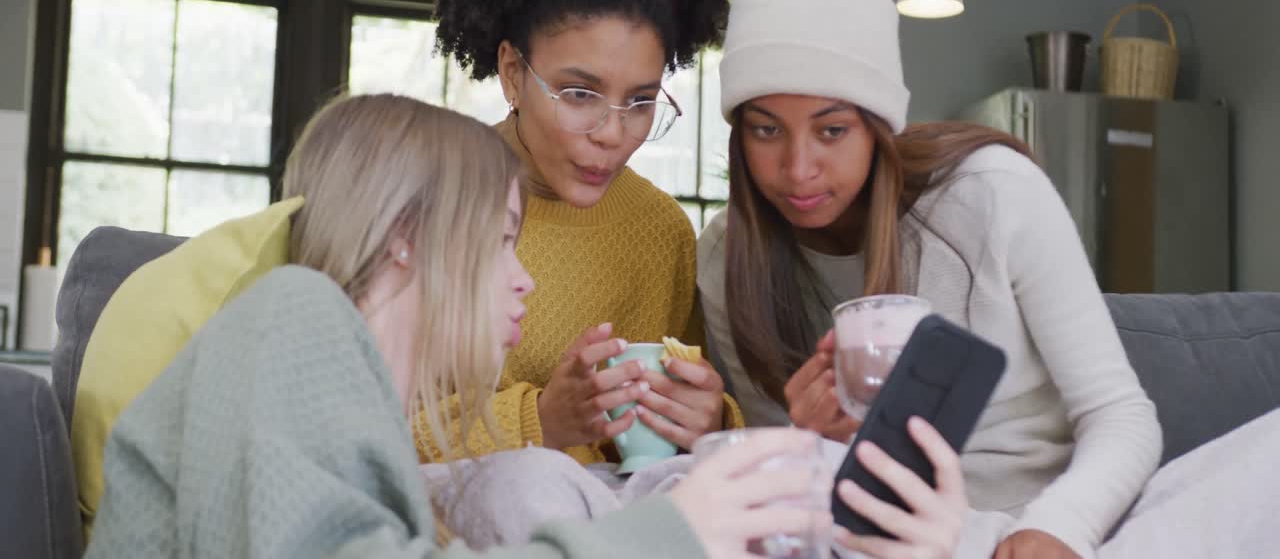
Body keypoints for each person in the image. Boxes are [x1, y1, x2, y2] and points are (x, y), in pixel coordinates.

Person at [85, 93, 857, 558]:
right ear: (405, 236)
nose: (521, 276)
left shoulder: (341, 395)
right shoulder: (292, 317)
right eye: (498, 241)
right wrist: (669, 534)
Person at [696, 0, 1165, 559]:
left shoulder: (992, 193)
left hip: (1039, 523)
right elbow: (791, 503)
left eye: (832, 130)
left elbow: (1122, 416)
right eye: (765, 130)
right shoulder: (728, 256)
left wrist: (1059, 529)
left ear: (877, 126)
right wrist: (810, 442)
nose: (797, 168)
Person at [426, 0, 740, 465]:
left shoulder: (661, 232)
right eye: (578, 93)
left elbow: (663, 447)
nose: (613, 133)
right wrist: (538, 421)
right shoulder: (426, 202)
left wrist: (708, 422)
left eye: (642, 101)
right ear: (513, 74)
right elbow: (352, 427)